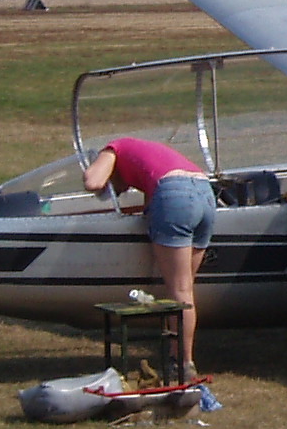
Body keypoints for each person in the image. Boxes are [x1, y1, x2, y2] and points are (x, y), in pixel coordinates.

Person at [81, 137, 215, 381]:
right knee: (186, 291)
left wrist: (97, 169)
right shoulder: (146, 154)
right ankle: (180, 358)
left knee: (180, 291)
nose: (120, 191)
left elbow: (93, 181)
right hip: (205, 193)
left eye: (116, 186)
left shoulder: (115, 147)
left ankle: (183, 364)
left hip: (175, 195)